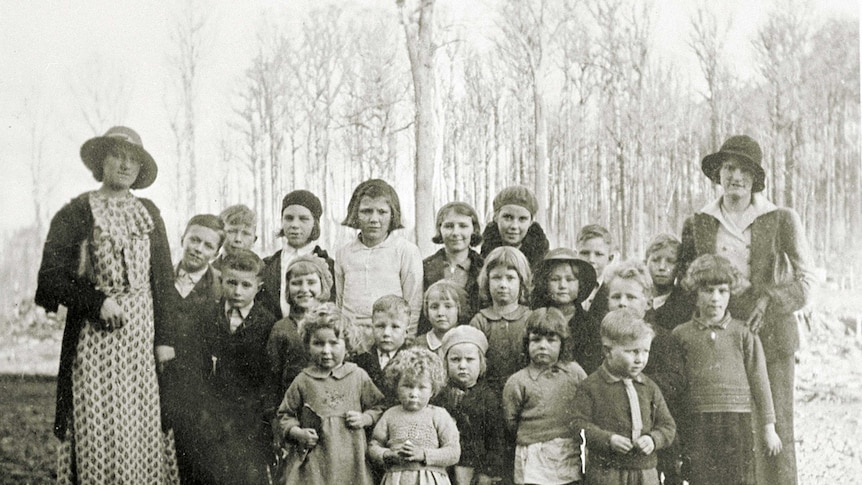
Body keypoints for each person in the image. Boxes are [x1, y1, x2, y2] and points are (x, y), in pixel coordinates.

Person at [35, 126, 179, 483]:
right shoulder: (77, 211)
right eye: (118, 156)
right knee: (100, 429)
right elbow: (50, 279)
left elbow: (162, 279)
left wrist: (165, 338)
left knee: (142, 427)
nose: (126, 165)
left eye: (134, 160)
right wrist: (95, 302)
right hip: (94, 342)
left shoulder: (148, 213)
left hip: (142, 344)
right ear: (102, 160)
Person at [677, 134, 814, 484]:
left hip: (772, 335)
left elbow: (806, 282)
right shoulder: (699, 222)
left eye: (744, 170)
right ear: (717, 174)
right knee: (732, 429)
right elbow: (687, 278)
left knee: (776, 425)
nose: (735, 176)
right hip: (721, 337)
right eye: (728, 168)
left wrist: (769, 299)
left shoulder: (781, 218)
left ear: (756, 178)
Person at [674, 254, 781, 485]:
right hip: (697, 419)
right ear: (695, 293)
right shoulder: (681, 334)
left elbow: (760, 380)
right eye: (707, 290)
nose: (715, 298)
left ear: (731, 293)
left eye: (722, 291)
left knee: (738, 478)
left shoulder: (744, 332)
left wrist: (768, 428)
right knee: (700, 478)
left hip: (737, 420)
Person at [276, 303, 384, 485]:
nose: (326, 351)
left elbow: (378, 407)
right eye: (318, 343)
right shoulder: (303, 380)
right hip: (316, 463)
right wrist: (298, 433)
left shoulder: (358, 376)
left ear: (347, 345)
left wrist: (364, 418)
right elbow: (284, 415)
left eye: (334, 343)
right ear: (307, 344)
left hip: (352, 461)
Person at [603, 260, 686, 485]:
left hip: (656, 428)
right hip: (614, 433)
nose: (622, 303)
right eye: (616, 297)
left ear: (648, 302)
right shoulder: (602, 339)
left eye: (630, 298)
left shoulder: (662, 339)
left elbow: (675, 381)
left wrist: (634, 382)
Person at [571, 309, 676, 485]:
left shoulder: (649, 387)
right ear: (608, 350)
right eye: (632, 351)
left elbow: (667, 425)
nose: (640, 359)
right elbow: (577, 424)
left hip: (645, 471)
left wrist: (653, 439)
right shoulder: (592, 386)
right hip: (607, 473)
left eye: (645, 351)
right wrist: (608, 440)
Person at [203, 248, 278, 484]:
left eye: (246, 285)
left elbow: (269, 376)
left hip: (251, 416)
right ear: (221, 280)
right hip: (214, 411)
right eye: (231, 282)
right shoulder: (209, 315)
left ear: (259, 285)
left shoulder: (267, 323)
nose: (237, 291)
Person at [160, 213, 226, 484]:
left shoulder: (221, 287)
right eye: (194, 240)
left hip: (200, 388)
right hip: (157, 381)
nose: (198, 248)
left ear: (216, 252)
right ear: (183, 238)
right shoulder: (159, 279)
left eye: (208, 245)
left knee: (196, 460)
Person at [503, 307, 588, 485]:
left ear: (562, 344)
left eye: (551, 340)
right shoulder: (518, 381)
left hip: (566, 450)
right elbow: (511, 421)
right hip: (533, 453)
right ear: (527, 344)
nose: (543, 345)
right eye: (536, 340)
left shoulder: (574, 373)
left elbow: (587, 404)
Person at [335, 179, 423, 349]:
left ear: (392, 215)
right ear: (355, 214)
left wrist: (407, 339)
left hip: (390, 339)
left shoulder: (406, 251)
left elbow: (413, 300)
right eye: (366, 211)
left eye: (382, 212)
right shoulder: (344, 253)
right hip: (352, 339)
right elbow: (340, 300)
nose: (374, 219)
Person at [368, 347, 461, 485]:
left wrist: (424, 454)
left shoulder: (439, 415)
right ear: (396, 386)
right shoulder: (390, 414)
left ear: (432, 390)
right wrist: (386, 455)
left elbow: (453, 452)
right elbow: (374, 445)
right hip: (396, 479)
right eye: (407, 386)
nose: (414, 393)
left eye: (422, 387)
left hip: (430, 479)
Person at [432, 325, 505, 485]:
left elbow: (496, 438)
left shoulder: (488, 398)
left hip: (477, 469)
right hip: (446, 467)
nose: (462, 366)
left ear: (481, 363)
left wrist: (488, 472)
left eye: (470, 359)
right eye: (455, 360)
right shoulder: (439, 397)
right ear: (446, 363)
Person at [259, 190, 336, 319]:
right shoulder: (267, 265)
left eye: (303, 219)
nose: (294, 225)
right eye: (289, 218)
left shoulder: (329, 265)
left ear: (314, 223)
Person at [267, 253, 333, 399]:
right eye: (296, 283)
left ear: (323, 286)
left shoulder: (334, 323)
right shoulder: (281, 328)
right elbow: (272, 379)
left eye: (311, 282)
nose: (304, 289)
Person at [469, 246, 533, 390]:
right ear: (487, 281)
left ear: (521, 282)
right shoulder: (480, 321)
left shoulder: (530, 318)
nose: (503, 285)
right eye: (497, 278)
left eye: (510, 278)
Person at [421, 202, 485, 334]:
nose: (456, 233)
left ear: (474, 229)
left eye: (463, 226)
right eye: (449, 226)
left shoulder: (484, 268)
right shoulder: (425, 268)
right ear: (440, 229)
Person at [531, 247, 598, 372]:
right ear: (545, 283)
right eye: (555, 279)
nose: (562, 285)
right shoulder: (536, 319)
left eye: (570, 280)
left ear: (580, 284)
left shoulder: (589, 324)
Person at [353, 295, 413, 404]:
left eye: (395, 327)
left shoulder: (412, 363)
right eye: (380, 326)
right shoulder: (360, 360)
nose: (386, 333)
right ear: (372, 327)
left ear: (406, 332)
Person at [480, 185, 550, 269]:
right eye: (508, 217)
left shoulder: (545, 263)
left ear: (531, 221)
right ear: (496, 217)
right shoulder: (481, 261)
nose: (514, 226)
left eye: (522, 219)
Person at [644, 233, 694, 332]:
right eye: (655, 260)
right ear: (645, 262)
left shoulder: (684, 306)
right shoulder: (637, 298)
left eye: (670, 261)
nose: (662, 267)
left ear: (679, 267)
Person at [416, 280, 467, 353]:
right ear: (426, 310)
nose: (440, 313)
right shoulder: (419, 345)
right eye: (434, 307)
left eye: (448, 306)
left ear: (458, 309)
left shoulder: (467, 342)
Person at [576, 224, 615, 319]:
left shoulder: (613, 292)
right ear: (575, 255)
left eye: (598, 254)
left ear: (610, 259)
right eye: (584, 253)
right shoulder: (566, 287)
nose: (591, 260)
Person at [212, 204, 258, 270]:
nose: (238, 239)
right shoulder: (207, 274)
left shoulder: (266, 273)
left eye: (245, 233)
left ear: (254, 240)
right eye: (232, 231)